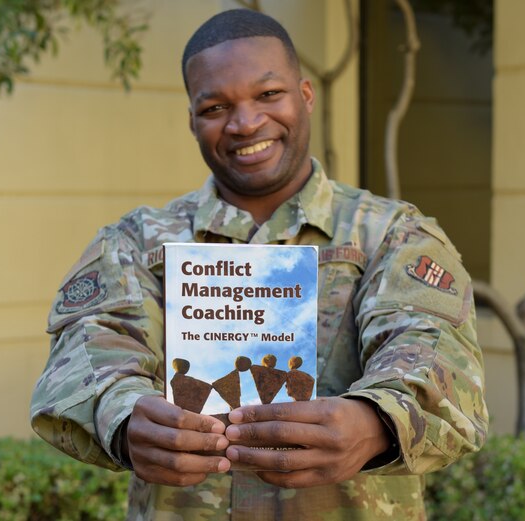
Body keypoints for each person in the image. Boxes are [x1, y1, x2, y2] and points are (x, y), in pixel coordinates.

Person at [30, 8, 488, 520]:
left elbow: (435, 356)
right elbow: (88, 354)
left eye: (268, 95)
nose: (246, 122)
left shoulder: (391, 235)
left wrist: (374, 421)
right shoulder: (136, 243)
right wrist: (123, 417)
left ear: (305, 95)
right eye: (215, 107)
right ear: (193, 120)